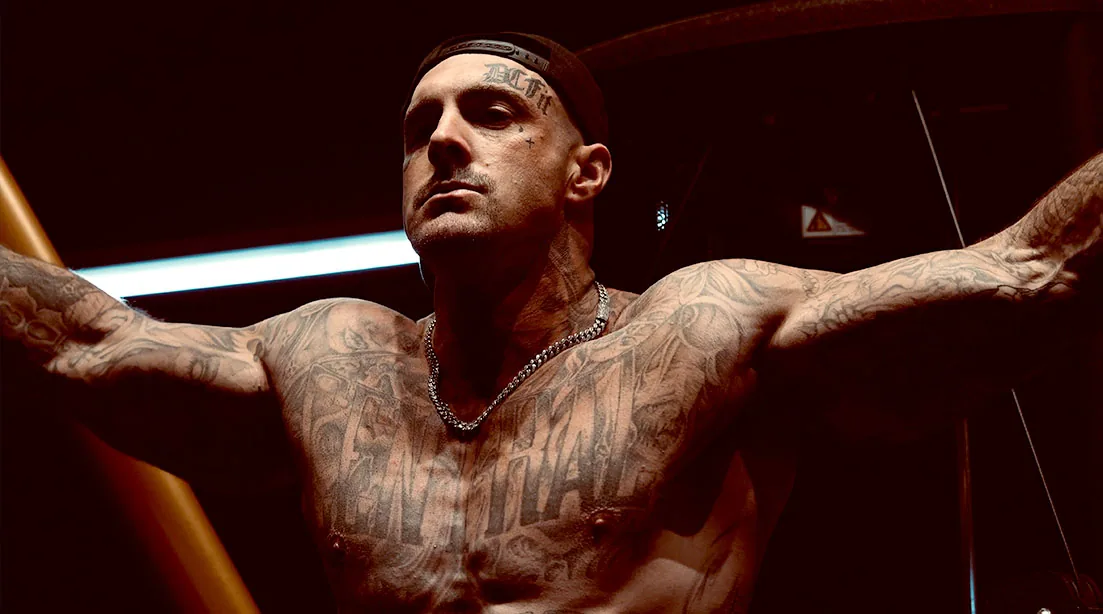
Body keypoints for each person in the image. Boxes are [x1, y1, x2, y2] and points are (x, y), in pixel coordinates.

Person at [1, 31, 1100, 613]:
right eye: (418, 126)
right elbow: (83, 340)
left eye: (490, 114)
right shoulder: (330, 360)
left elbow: (1034, 272)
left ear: (587, 172)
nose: (442, 141)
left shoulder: (698, 329)